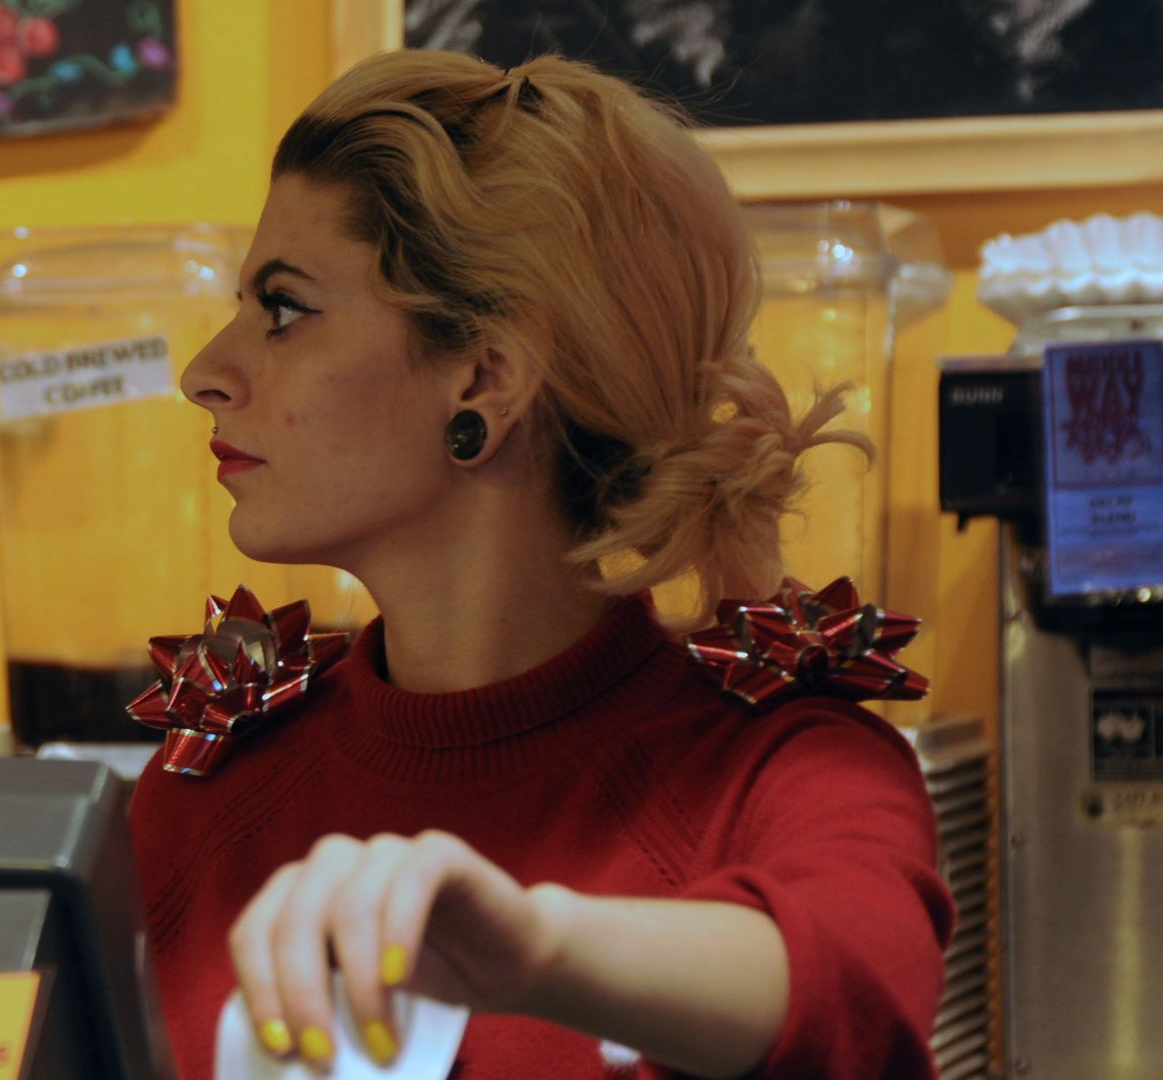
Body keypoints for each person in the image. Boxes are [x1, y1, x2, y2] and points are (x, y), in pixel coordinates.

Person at [127, 49, 952, 1080]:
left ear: (486, 377)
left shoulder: (786, 769)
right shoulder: (209, 781)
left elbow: (856, 993)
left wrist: (537, 948)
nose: (207, 371)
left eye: (284, 309)